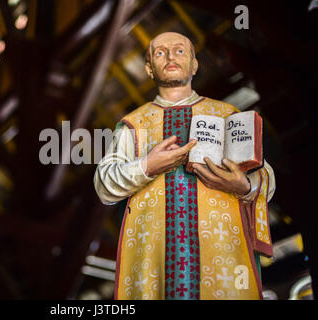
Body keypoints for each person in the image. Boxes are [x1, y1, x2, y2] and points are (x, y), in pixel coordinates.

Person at [94, 32, 275, 300]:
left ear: (194, 65)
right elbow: (104, 184)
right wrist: (146, 166)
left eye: (179, 51)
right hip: (154, 253)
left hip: (219, 249)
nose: (169, 57)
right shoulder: (133, 124)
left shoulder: (228, 115)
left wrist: (244, 185)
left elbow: (264, 175)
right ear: (148, 68)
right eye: (159, 52)